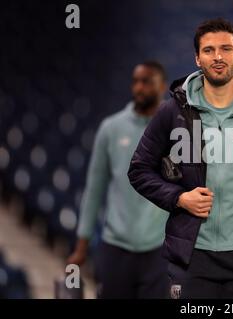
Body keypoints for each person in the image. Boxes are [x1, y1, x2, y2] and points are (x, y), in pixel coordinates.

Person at [128, 19, 233, 299]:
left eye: (226, 49)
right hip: (192, 257)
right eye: (208, 50)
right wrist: (179, 198)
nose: (218, 57)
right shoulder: (174, 112)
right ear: (197, 58)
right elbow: (139, 171)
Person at [67, 61, 170, 299]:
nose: (139, 88)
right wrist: (81, 247)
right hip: (115, 247)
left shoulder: (176, 129)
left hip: (159, 250)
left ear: (162, 86)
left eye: (147, 82)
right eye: (136, 81)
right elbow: (94, 190)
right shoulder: (111, 128)